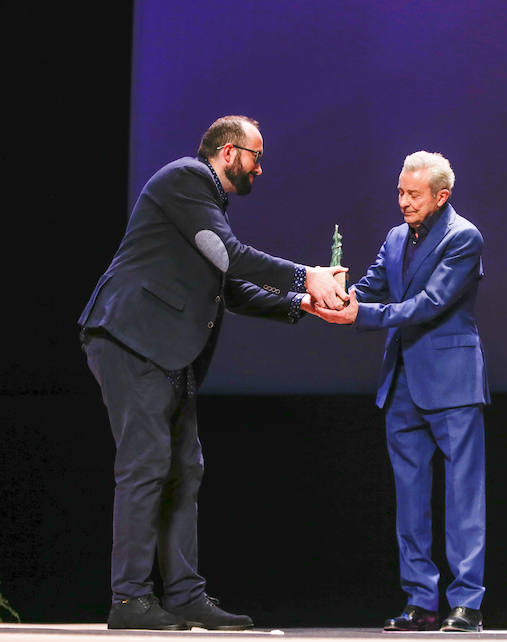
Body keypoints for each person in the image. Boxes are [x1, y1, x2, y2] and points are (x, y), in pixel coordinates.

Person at [78, 115, 348, 631]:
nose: (260, 168)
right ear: (228, 153)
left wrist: (302, 303)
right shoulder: (187, 178)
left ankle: (182, 595)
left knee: (185, 466)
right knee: (147, 463)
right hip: (130, 337)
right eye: (256, 156)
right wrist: (305, 273)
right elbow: (230, 256)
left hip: (166, 350)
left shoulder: (207, 202)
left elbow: (228, 286)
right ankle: (130, 599)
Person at [314, 151, 488, 632]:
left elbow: (430, 304)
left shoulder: (463, 237)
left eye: (414, 194)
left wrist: (362, 316)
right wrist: (336, 297)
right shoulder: (395, 237)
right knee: (410, 501)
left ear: (441, 196)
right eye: (400, 192)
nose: (404, 202)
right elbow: (372, 287)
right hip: (402, 384)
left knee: (462, 498)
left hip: (452, 383)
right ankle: (420, 602)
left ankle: (466, 604)